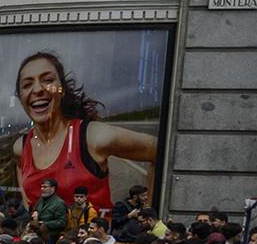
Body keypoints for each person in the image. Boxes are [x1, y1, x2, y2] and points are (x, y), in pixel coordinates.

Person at [8, 50, 157, 212]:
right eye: (27, 85)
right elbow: (26, 193)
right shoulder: (21, 147)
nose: (37, 89)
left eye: (48, 80)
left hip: (91, 234)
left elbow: (157, 149)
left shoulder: (92, 137)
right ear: (20, 97)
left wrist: (148, 218)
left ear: (62, 89)